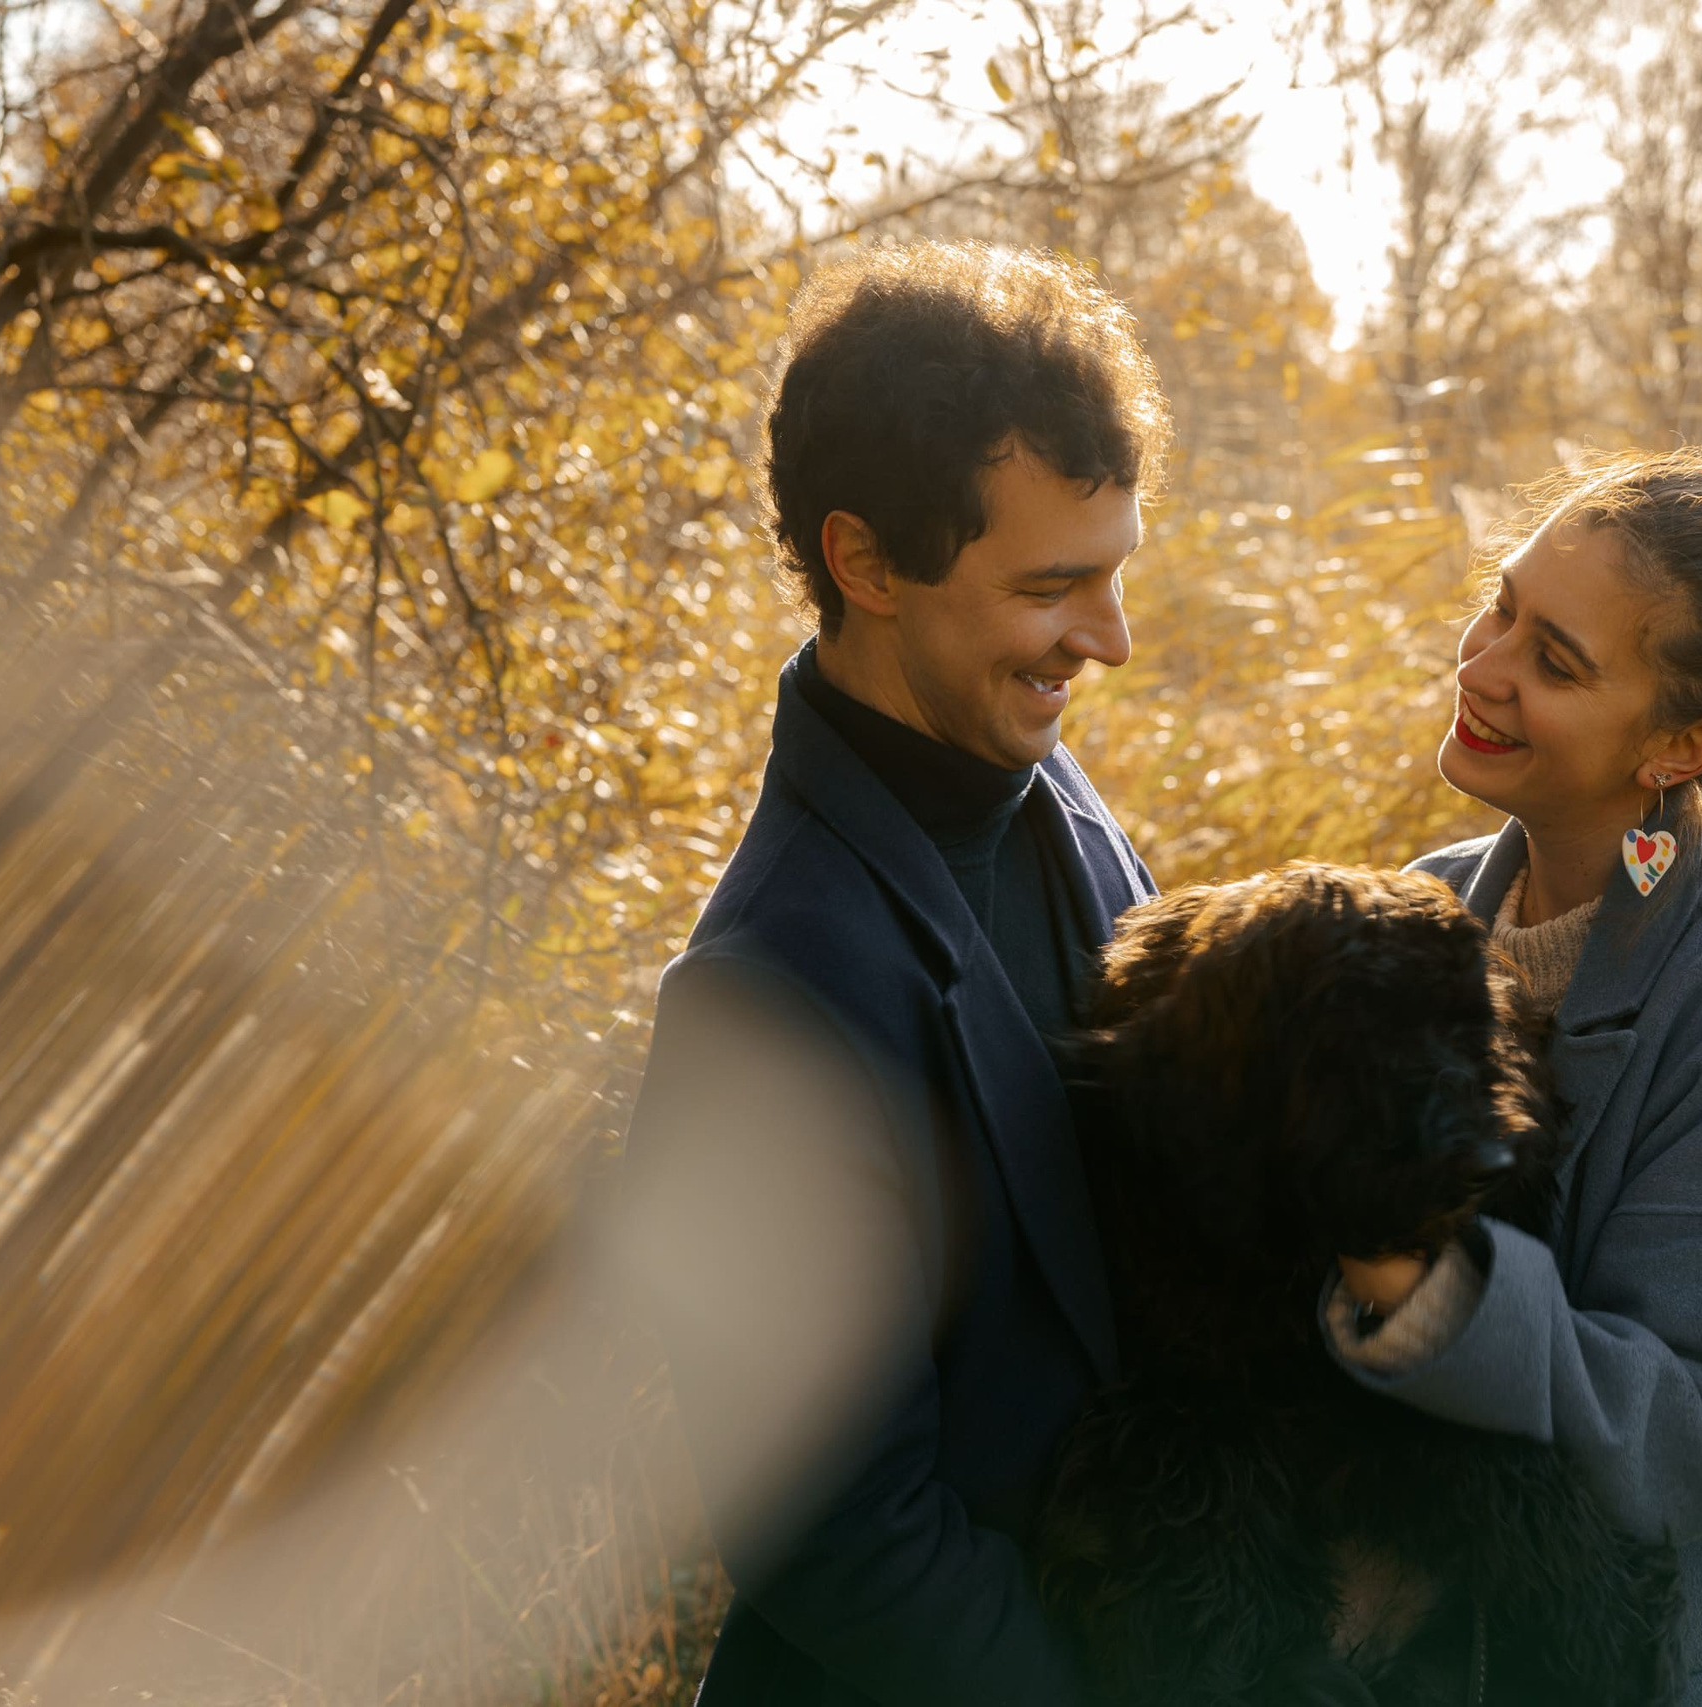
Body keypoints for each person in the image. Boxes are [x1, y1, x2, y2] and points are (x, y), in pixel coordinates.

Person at [622, 240, 1167, 1707]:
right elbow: (838, 1535)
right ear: (864, 561)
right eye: (1055, 585)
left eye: (1115, 572)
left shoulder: (1051, 793)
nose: (1108, 639)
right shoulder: (763, 996)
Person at [1322, 447, 1702, 1706]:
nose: (1482, 667)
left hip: (1650, 1667)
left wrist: (1410, 1281)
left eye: (1557, 661)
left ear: (1679, 744)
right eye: (1502, 607)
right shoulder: (1426, 910)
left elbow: (1694, 1430)